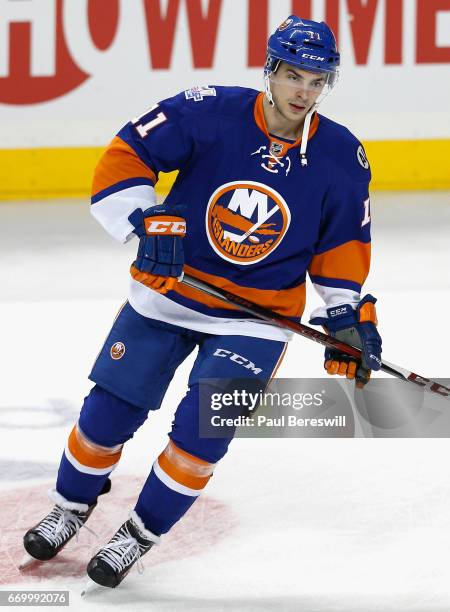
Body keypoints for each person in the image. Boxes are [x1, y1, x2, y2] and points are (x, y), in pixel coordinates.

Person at [20, 15, 382, 589]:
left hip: (258, 321)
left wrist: (345, 315)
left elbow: (341, 241)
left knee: (201, 435)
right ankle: (70, 507)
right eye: (294, 76)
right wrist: (147, 222)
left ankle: (137, 535)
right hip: (169, 294)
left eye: (318, 81)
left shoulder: (340, 155)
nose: (304, 93)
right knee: (105, 416)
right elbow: (125, 157)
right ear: (270, 71)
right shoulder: (206, 110)